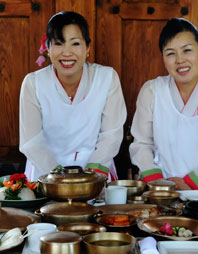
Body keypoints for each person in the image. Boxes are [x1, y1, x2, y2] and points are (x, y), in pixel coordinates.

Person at [129, 18, 198, 192]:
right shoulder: (152, 91)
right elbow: (142, 143)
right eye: (171, 53)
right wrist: (159, 183)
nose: (180, 60)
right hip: (161, 189)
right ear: (163, 58)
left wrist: (190, 184)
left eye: (187, 50)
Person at [19, 11, 126, 181]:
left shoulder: (107, 78)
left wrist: (89, 177)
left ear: (87, 48)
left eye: (75, 43)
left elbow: (111, 135)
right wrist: (61, 179)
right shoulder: (33, 83)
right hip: (46, 176)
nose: (66, 53)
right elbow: (31, 142)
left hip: (95, 175)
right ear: (48, 48)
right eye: (59, 44)